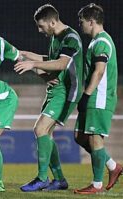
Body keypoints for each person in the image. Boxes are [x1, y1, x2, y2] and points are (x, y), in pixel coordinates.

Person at [14, 4, 83, 192]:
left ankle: (42, 178)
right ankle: (59, 179)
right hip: (56, 89)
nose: (39, 30)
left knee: (40, 128)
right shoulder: (55, 37)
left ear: (53, 22)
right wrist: (28, 55)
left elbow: (61, 64)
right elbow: (50, 59)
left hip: (67, 91)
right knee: (46, 133)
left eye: (41, 25)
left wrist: (32, 64)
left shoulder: (71, 38)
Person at [73, 3, 122, 194]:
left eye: (82, 21)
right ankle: (112, 166)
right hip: (93, 97)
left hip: (99, 98)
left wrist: (86, 96)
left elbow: (100, 71)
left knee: (94, 139)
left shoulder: (102, 42)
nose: (80, 25)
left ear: (91, 21)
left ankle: (96, 185)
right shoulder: (95, 42)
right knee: (79, 137)